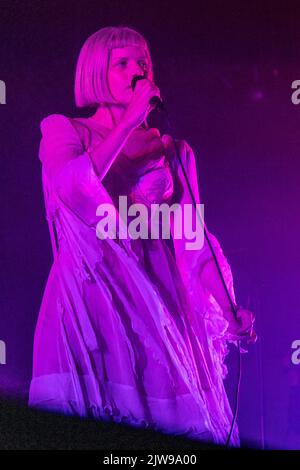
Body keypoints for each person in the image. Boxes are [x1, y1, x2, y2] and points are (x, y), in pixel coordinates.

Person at [29, 25, 255, 446]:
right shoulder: (66, 131)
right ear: (96, 72)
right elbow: (70, 187)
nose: (137, 69)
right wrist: (130, 118)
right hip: (92, 295)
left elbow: (193, 241)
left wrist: (228, 309)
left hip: (158, 302)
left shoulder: (174, 149)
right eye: (122, 63)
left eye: (143, 61)